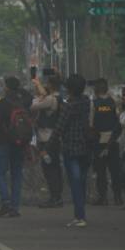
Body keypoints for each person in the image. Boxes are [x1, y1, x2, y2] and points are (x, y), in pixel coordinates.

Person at [50, 74, 94, 228]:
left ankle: (79, 216)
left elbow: (60, 127)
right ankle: (81, 213)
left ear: (68, 88)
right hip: (86, 146)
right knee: (81, 181)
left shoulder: (69, 105)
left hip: (71, 147)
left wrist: (50, 144)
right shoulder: (86, 102)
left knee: (75, 182)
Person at [0, 77, 27, 217]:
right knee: (17, 174)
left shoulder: (2, 103)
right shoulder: (22, 102)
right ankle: (15, 206)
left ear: (6, 88)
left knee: (0, 173)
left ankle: (5, 202)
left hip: (3, 142)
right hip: (19, 142)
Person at [31, 75, 64, 209]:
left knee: (49, 168)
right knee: (54, 167)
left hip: (46, 138)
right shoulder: (59, 98)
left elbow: (33, 106)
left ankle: (55, 197)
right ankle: (56, 196)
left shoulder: (50, 99)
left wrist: (40, 94)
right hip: (53, 137)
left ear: (50, 85)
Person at [90, 78, 122, 206]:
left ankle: (103, 198)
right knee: (115, 171)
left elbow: (91, 125)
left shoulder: (94, 104)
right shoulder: (114, 102)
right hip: (114, 140)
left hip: (100, 141)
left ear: (96, 90)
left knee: (101, 171)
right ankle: (118, 197)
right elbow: (119, 120)